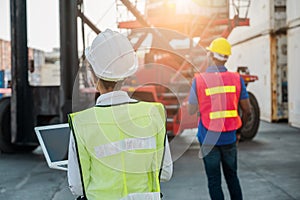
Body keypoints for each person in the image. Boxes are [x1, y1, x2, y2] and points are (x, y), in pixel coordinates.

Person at [67, 29, 173, 200]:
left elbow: (77, 186)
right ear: (126, 76)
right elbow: (165, 173)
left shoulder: (82, 124)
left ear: (94, 78)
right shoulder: (154, 114)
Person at [187, 37, 251, 200]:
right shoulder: (237, 79)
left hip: (208, 139)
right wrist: (239, 132)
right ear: (227, 57)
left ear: (211, 55)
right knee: (232, 178)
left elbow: (191, 109)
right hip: (230, 138)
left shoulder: (199, 80)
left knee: (214, 181)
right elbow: (247, 111)